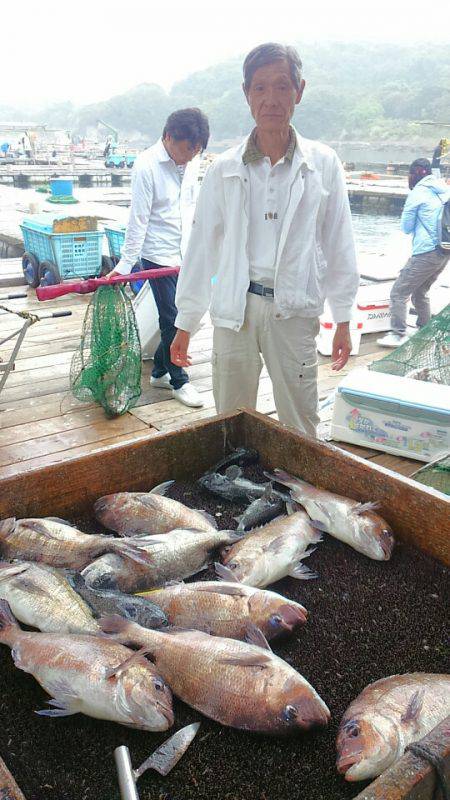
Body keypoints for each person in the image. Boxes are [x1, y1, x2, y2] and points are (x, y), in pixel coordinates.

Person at [170, 43, 359, 436]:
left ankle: (304, 496)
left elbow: (339, 243)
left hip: (294, 309)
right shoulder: (224, 168)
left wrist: (343, 318)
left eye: (282, 86)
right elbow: (202, 247)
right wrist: (186, 321)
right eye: (259, 88)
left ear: (299, 91)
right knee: (230, 420)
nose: (270, 99)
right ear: (246, 94)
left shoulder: (323, 164)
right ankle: (236, 492)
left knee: (301, 420)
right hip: (234, 310)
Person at [108, 108, 210, 408]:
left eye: (196, 150)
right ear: (168, 137)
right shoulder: (146, 166)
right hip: (158, 255)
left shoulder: (193, 162)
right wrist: (126, 263)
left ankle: (161, 371)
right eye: (185, 149)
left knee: (191, 310)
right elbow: (138, 218)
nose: (190, 157)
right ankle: (180, 381)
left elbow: (192, 205)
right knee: (172, 319)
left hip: (186, 252)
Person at [377, 158, 450, 348]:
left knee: (398, 293)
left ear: (414, 174)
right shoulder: (443, 189)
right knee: (420, 292)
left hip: (426, 252)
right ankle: (424, 331)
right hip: (444, 251)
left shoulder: (418, 193)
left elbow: (406, 227)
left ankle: (398, 334)